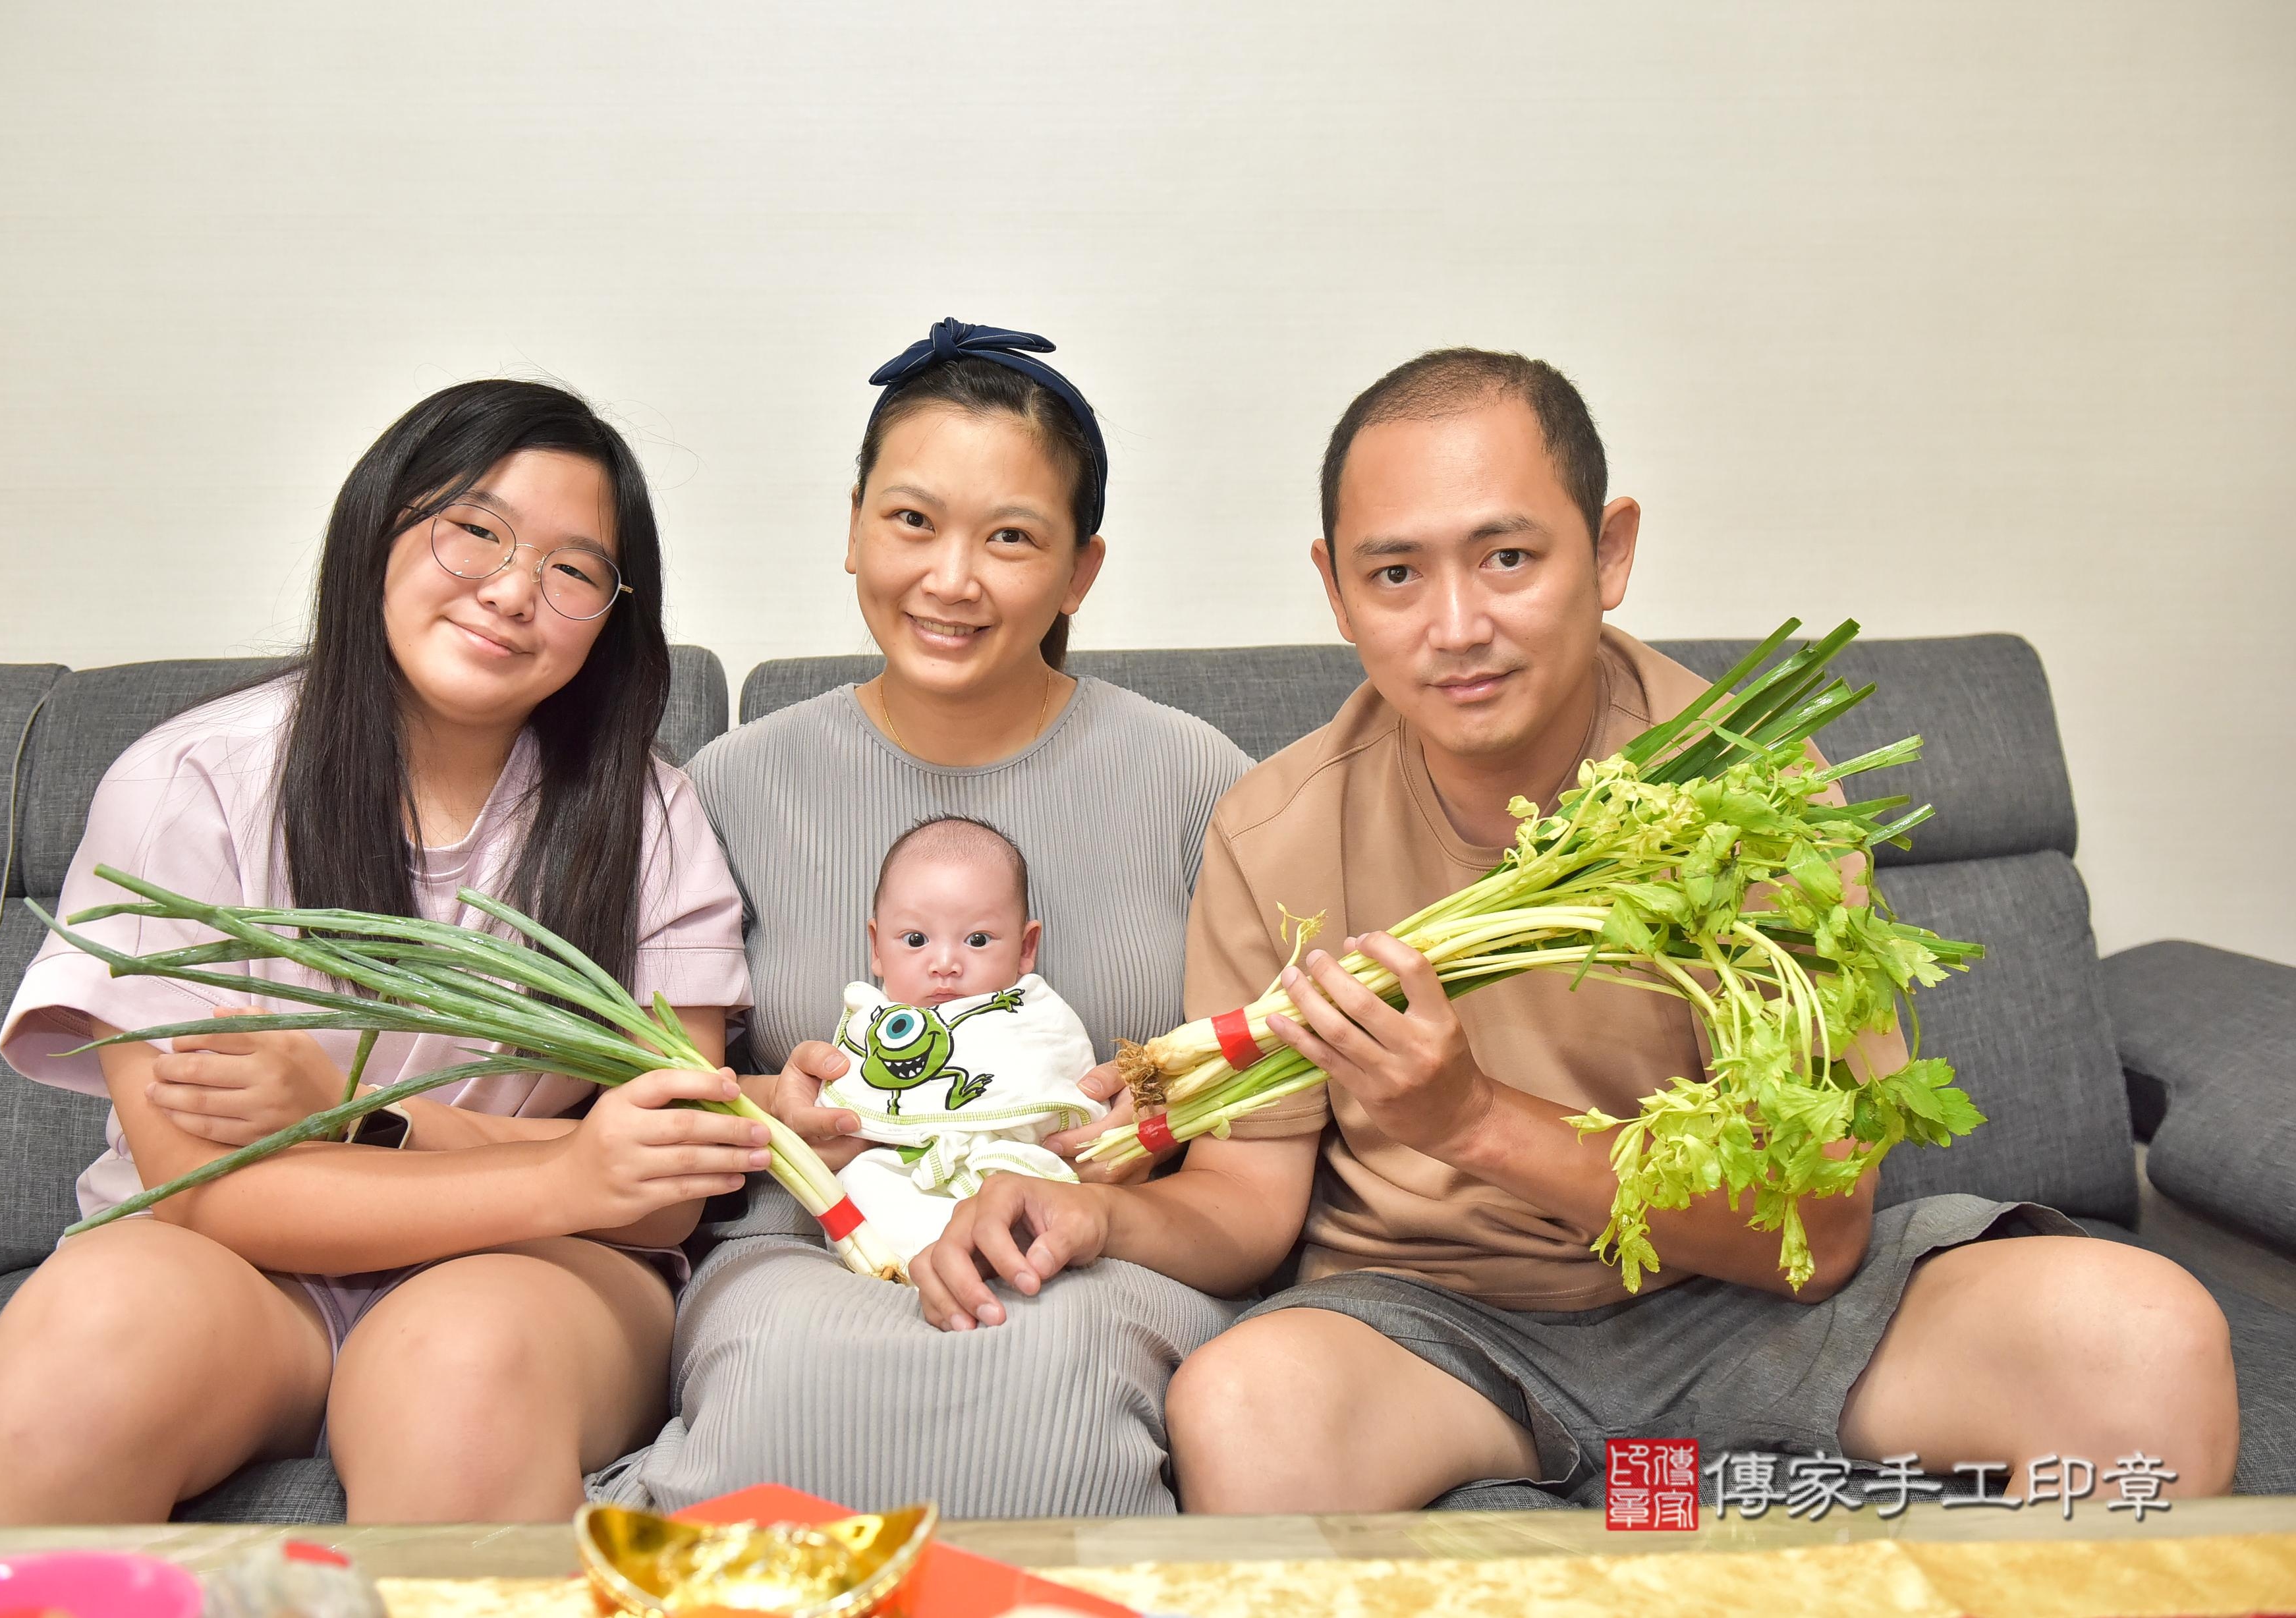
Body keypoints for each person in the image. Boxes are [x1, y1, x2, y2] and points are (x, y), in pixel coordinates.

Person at [916, 349, 2242, 1511]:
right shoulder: (1275, 826)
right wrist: (1098, 1217)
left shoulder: (1753, 797)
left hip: (1757, 1311)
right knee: (1246, 1410)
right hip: (1438, 1331)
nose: (1455, 627)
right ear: (1334, 588)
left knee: (2138, 1330)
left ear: (1606, 552)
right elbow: (1249, 1210)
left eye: (1507, 557)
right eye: (1394, 572)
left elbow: (1821, 1233)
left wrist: (1470, 1120)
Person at [0, 381, 758, 1526]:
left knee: (459, 1362)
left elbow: (655, 1195)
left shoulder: (646, 812)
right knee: (97, 1330)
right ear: (380, 523)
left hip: (543, 1271)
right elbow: (210, 1191)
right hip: (236, 1270)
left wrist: (352, 1112)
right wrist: (560, 1163)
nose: (511, 592)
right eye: (476, 530)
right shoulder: (192, 782)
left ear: (612, 614)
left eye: (573, 569)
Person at [595, 320, 1251, 1519]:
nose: (952, 578)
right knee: (787, 1378)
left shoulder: (1192, 777)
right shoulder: (734, 785)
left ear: (1080, 571)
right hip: (808, 1245)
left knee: (1046, 1369)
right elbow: (665, 1098)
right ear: (853, 528)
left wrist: (1135, 1119)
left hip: (1093, 1250)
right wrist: (768, 1105)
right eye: (911, 521)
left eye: (1010, 537)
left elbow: (1245, 1087)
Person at [827, 814, 1105, 1254]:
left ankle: (997, 1253)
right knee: (858, 1182)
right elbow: (840, 1118)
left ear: (1025, 947)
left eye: (977, 940)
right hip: (906, 1170)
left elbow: (1066, 1097)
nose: (944, 963)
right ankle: (914, 1260)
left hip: (1013, 1169)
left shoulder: (1033, 1015)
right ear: (877, 947)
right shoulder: (875, 1024)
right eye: (915, 938)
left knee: (1048, 1190)